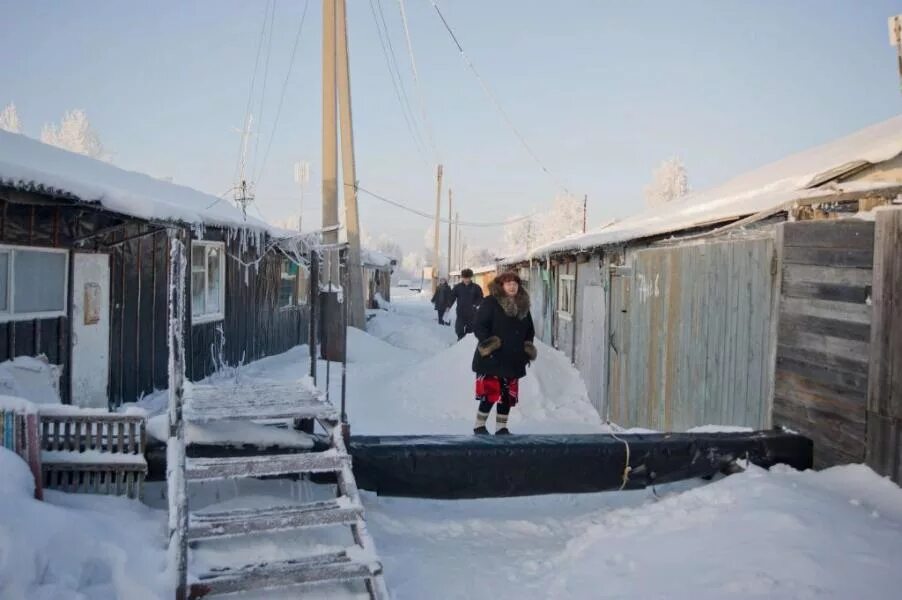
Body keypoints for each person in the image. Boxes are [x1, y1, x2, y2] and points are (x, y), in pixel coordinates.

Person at [471, 271, 536, 435]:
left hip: (514, 358)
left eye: (515, 283)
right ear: (501, 285)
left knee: (507, 395)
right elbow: (479, 325)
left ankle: (501, 428)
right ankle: (479, 426)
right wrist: (490, 345)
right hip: (493, 357)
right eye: (508, 283)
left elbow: (530, 330)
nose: (512, 286)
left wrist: (527, 350)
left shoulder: (523, 306)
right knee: (491, 394)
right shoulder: (491, 302)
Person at [448, 268, 483, 340]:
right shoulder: (458, 287)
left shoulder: (476, 287)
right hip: (461, 312)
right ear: (462, 278)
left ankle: (466, 343)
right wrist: (448, 305)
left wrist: (475, 304)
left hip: (472, 313)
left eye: (468, 278)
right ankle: (460, 340)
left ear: (471, 277)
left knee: (470, 330)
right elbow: (452, 297)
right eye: (465, 278)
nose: (466, 280)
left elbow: (480, 298)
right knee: (458, 329)